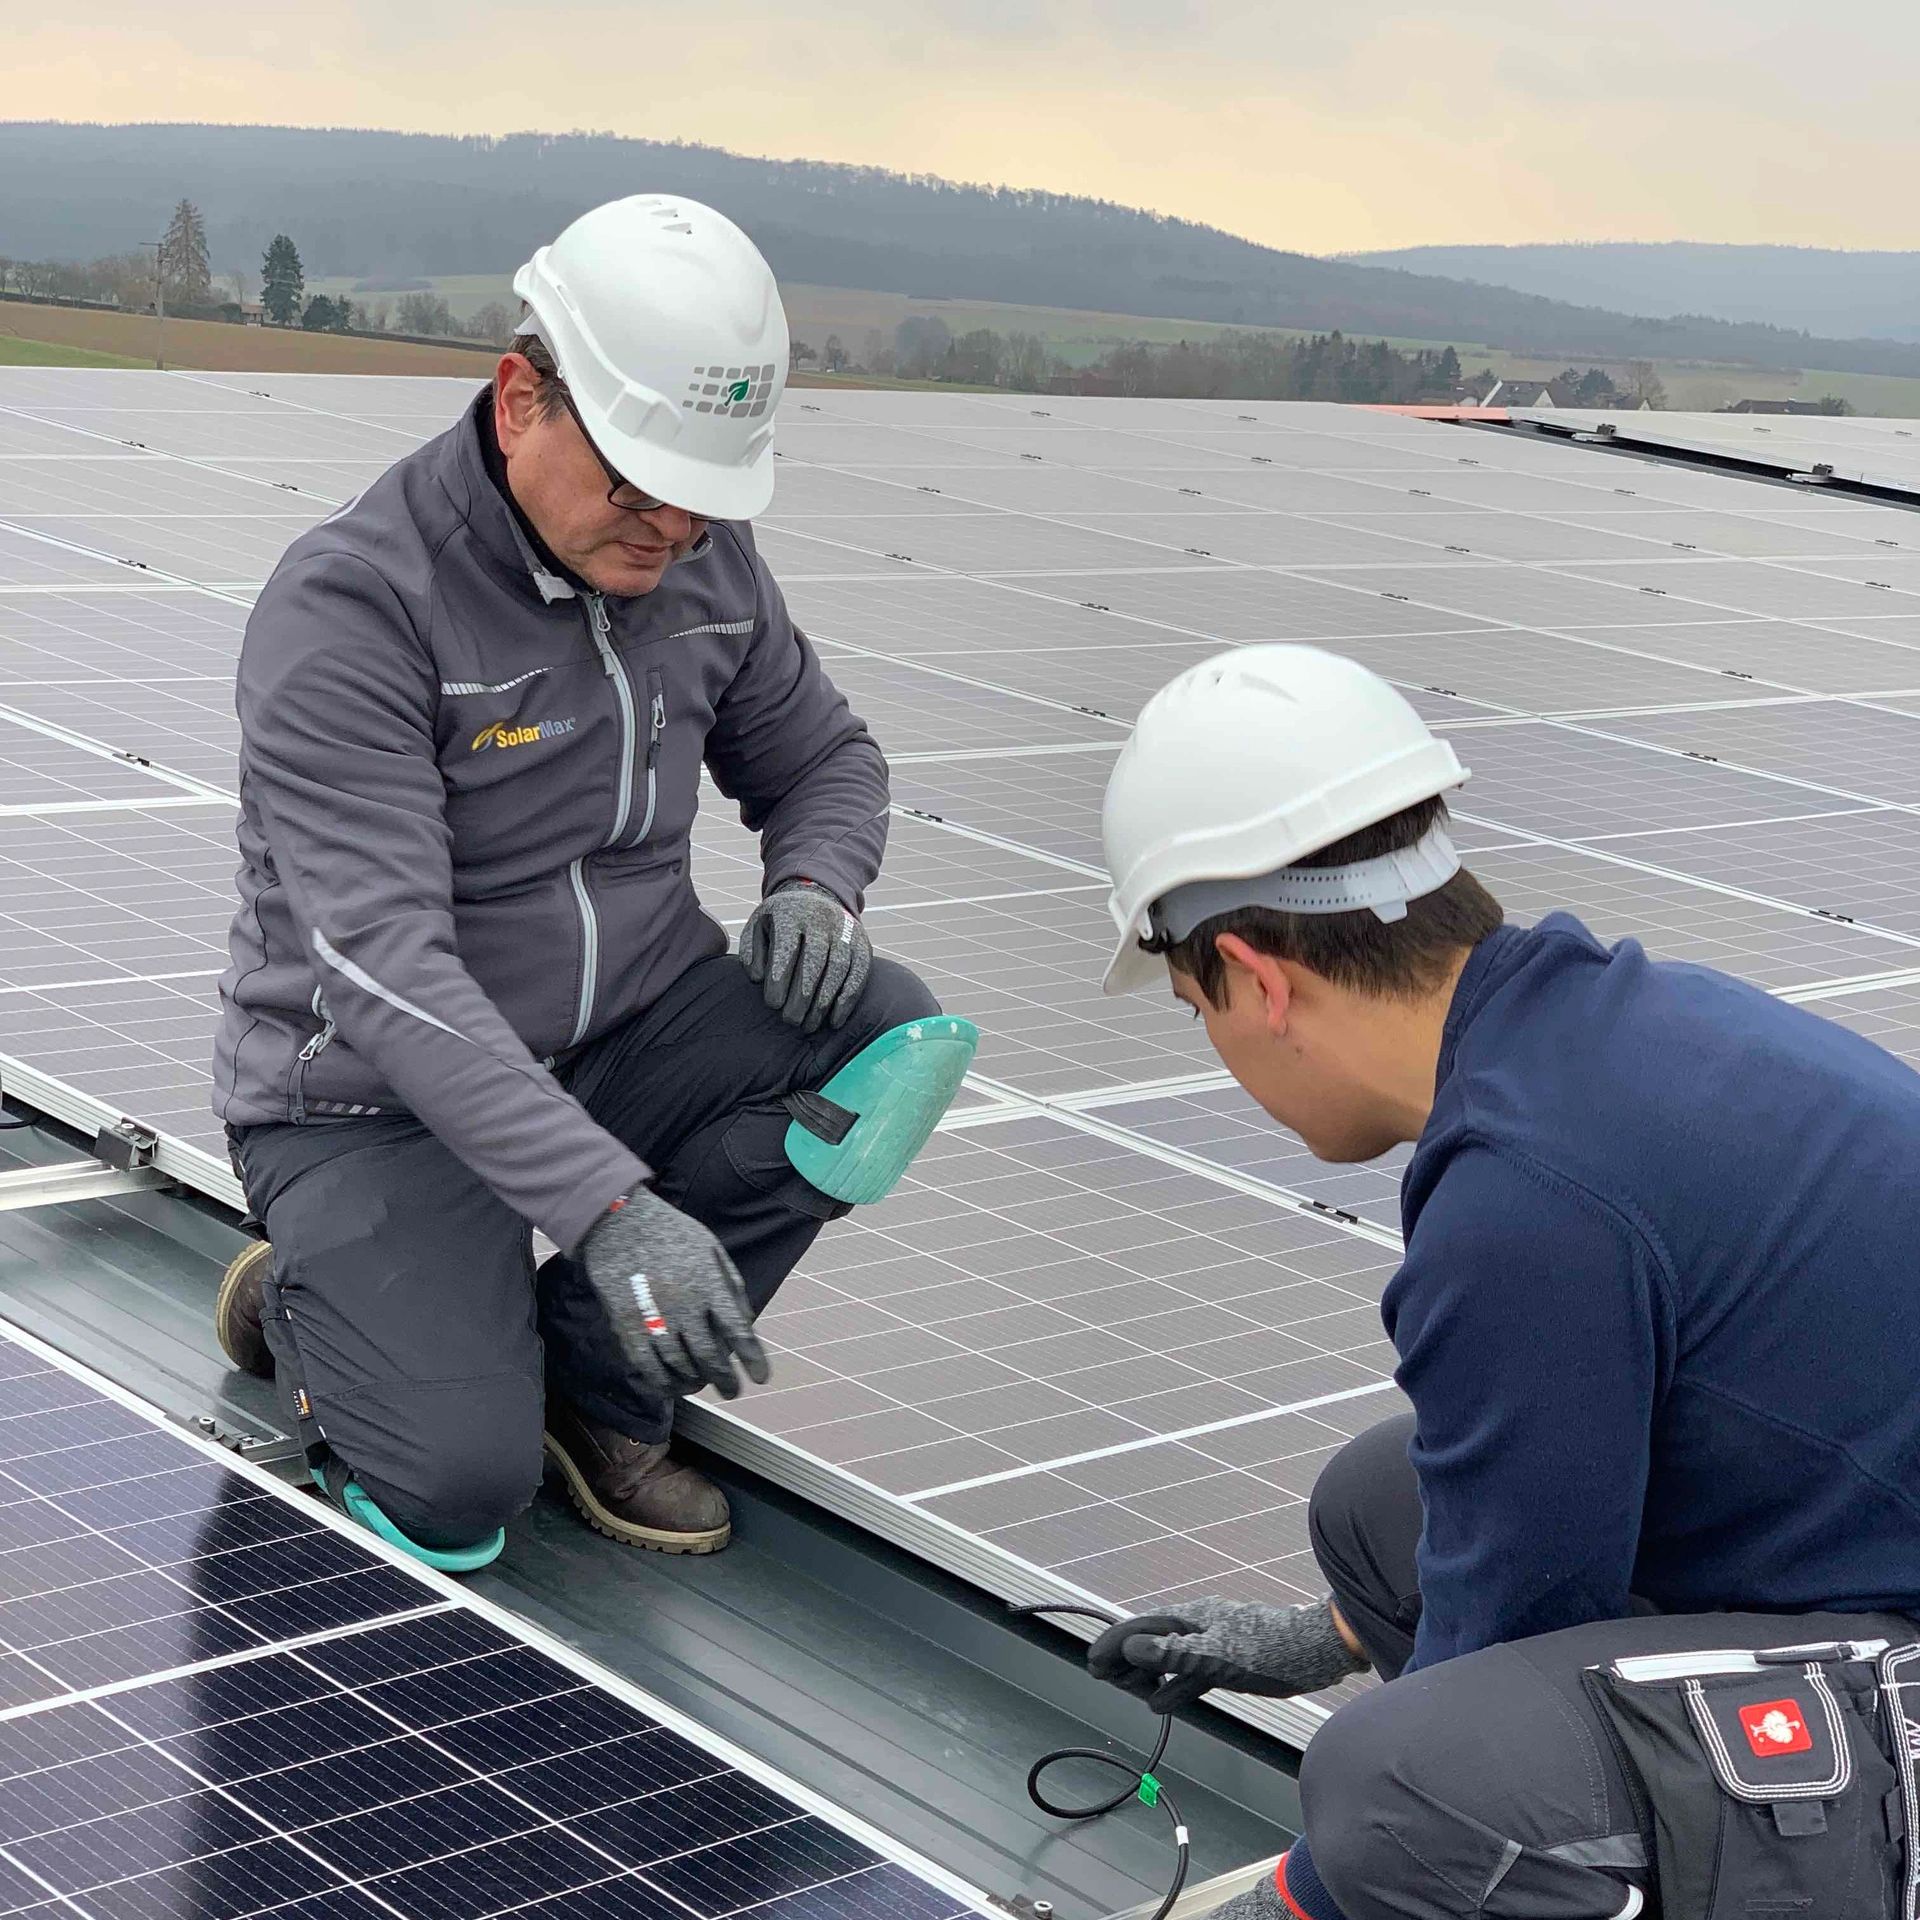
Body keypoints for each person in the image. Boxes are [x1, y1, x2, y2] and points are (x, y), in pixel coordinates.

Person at [1087, 645, 1920, 1920]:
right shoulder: (1607, 1032)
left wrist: (1301, 1900)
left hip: (1902, 1700)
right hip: (1866, 1551)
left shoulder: (1525, 1207)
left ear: (1258, 979)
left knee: (1400, 1785)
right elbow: (1539, 1513)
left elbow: (1490, 1678)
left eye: (1198, 1009)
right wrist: (1332, 1637)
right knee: (1384, 1499)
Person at [209, 196, 974, 1572]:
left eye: (703, 497)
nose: (670, 529)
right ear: (520, 400)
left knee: (888, 1036)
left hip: (621, 1035)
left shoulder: (697, 559)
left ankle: (600, 1382)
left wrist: (818, 880)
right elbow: (386, 970)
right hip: (375, 1103)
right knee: (456, 1492)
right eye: (635, 485)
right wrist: (608, 1211)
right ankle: (325, 1304)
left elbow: (829, 759)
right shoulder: (357, 606)